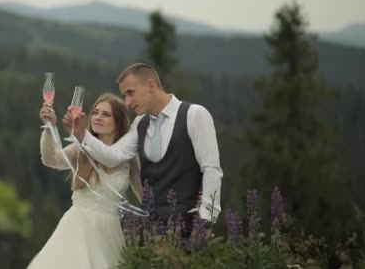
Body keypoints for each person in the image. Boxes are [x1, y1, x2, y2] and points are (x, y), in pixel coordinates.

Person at [63, 63, 223, 238]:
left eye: (130, 93)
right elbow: (113, 157)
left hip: (188, 227)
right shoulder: (140, 123)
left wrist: (206, 221)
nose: (127, 102)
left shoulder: (195, 115)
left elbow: (211, 169)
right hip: (150, 230)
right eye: (124, 95)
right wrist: (82, 134)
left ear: (151, 85)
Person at [28, 93, 142, 269]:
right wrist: (49, 127)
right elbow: (51, 159)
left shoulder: (129, 158)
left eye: (106, 114)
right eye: (95, 112)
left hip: (109, 235)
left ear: (119, 121)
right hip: (77, 229)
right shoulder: (80, 149)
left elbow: (145, 194)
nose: (98, 117)